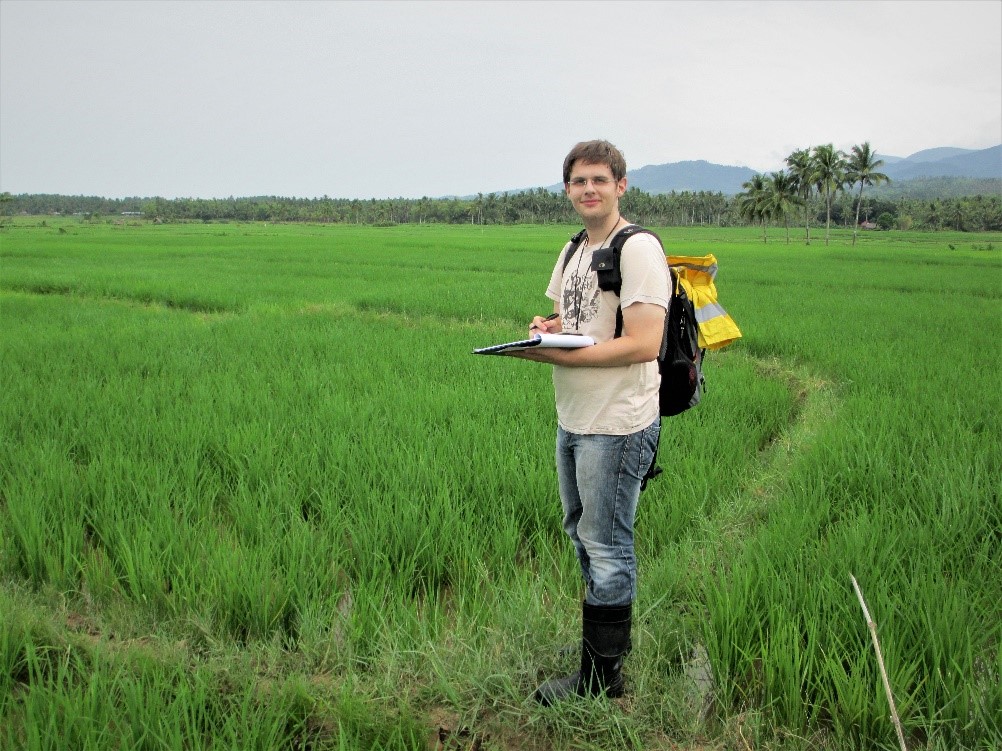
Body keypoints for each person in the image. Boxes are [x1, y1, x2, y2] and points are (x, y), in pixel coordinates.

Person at [514, 140, 671, 705]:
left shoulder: (638, 249)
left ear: (620, 185)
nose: (589, 190)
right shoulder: (575, 248)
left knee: (606, 545)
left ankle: (601, 682)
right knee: (582, 534)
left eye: (600, 180)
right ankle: (598, 654)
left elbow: (645, 342)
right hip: (575, 414)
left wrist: (560, 355)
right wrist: (546, 326)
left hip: (619, 422)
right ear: (567, 190)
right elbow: (575, 317)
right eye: (579, 181)